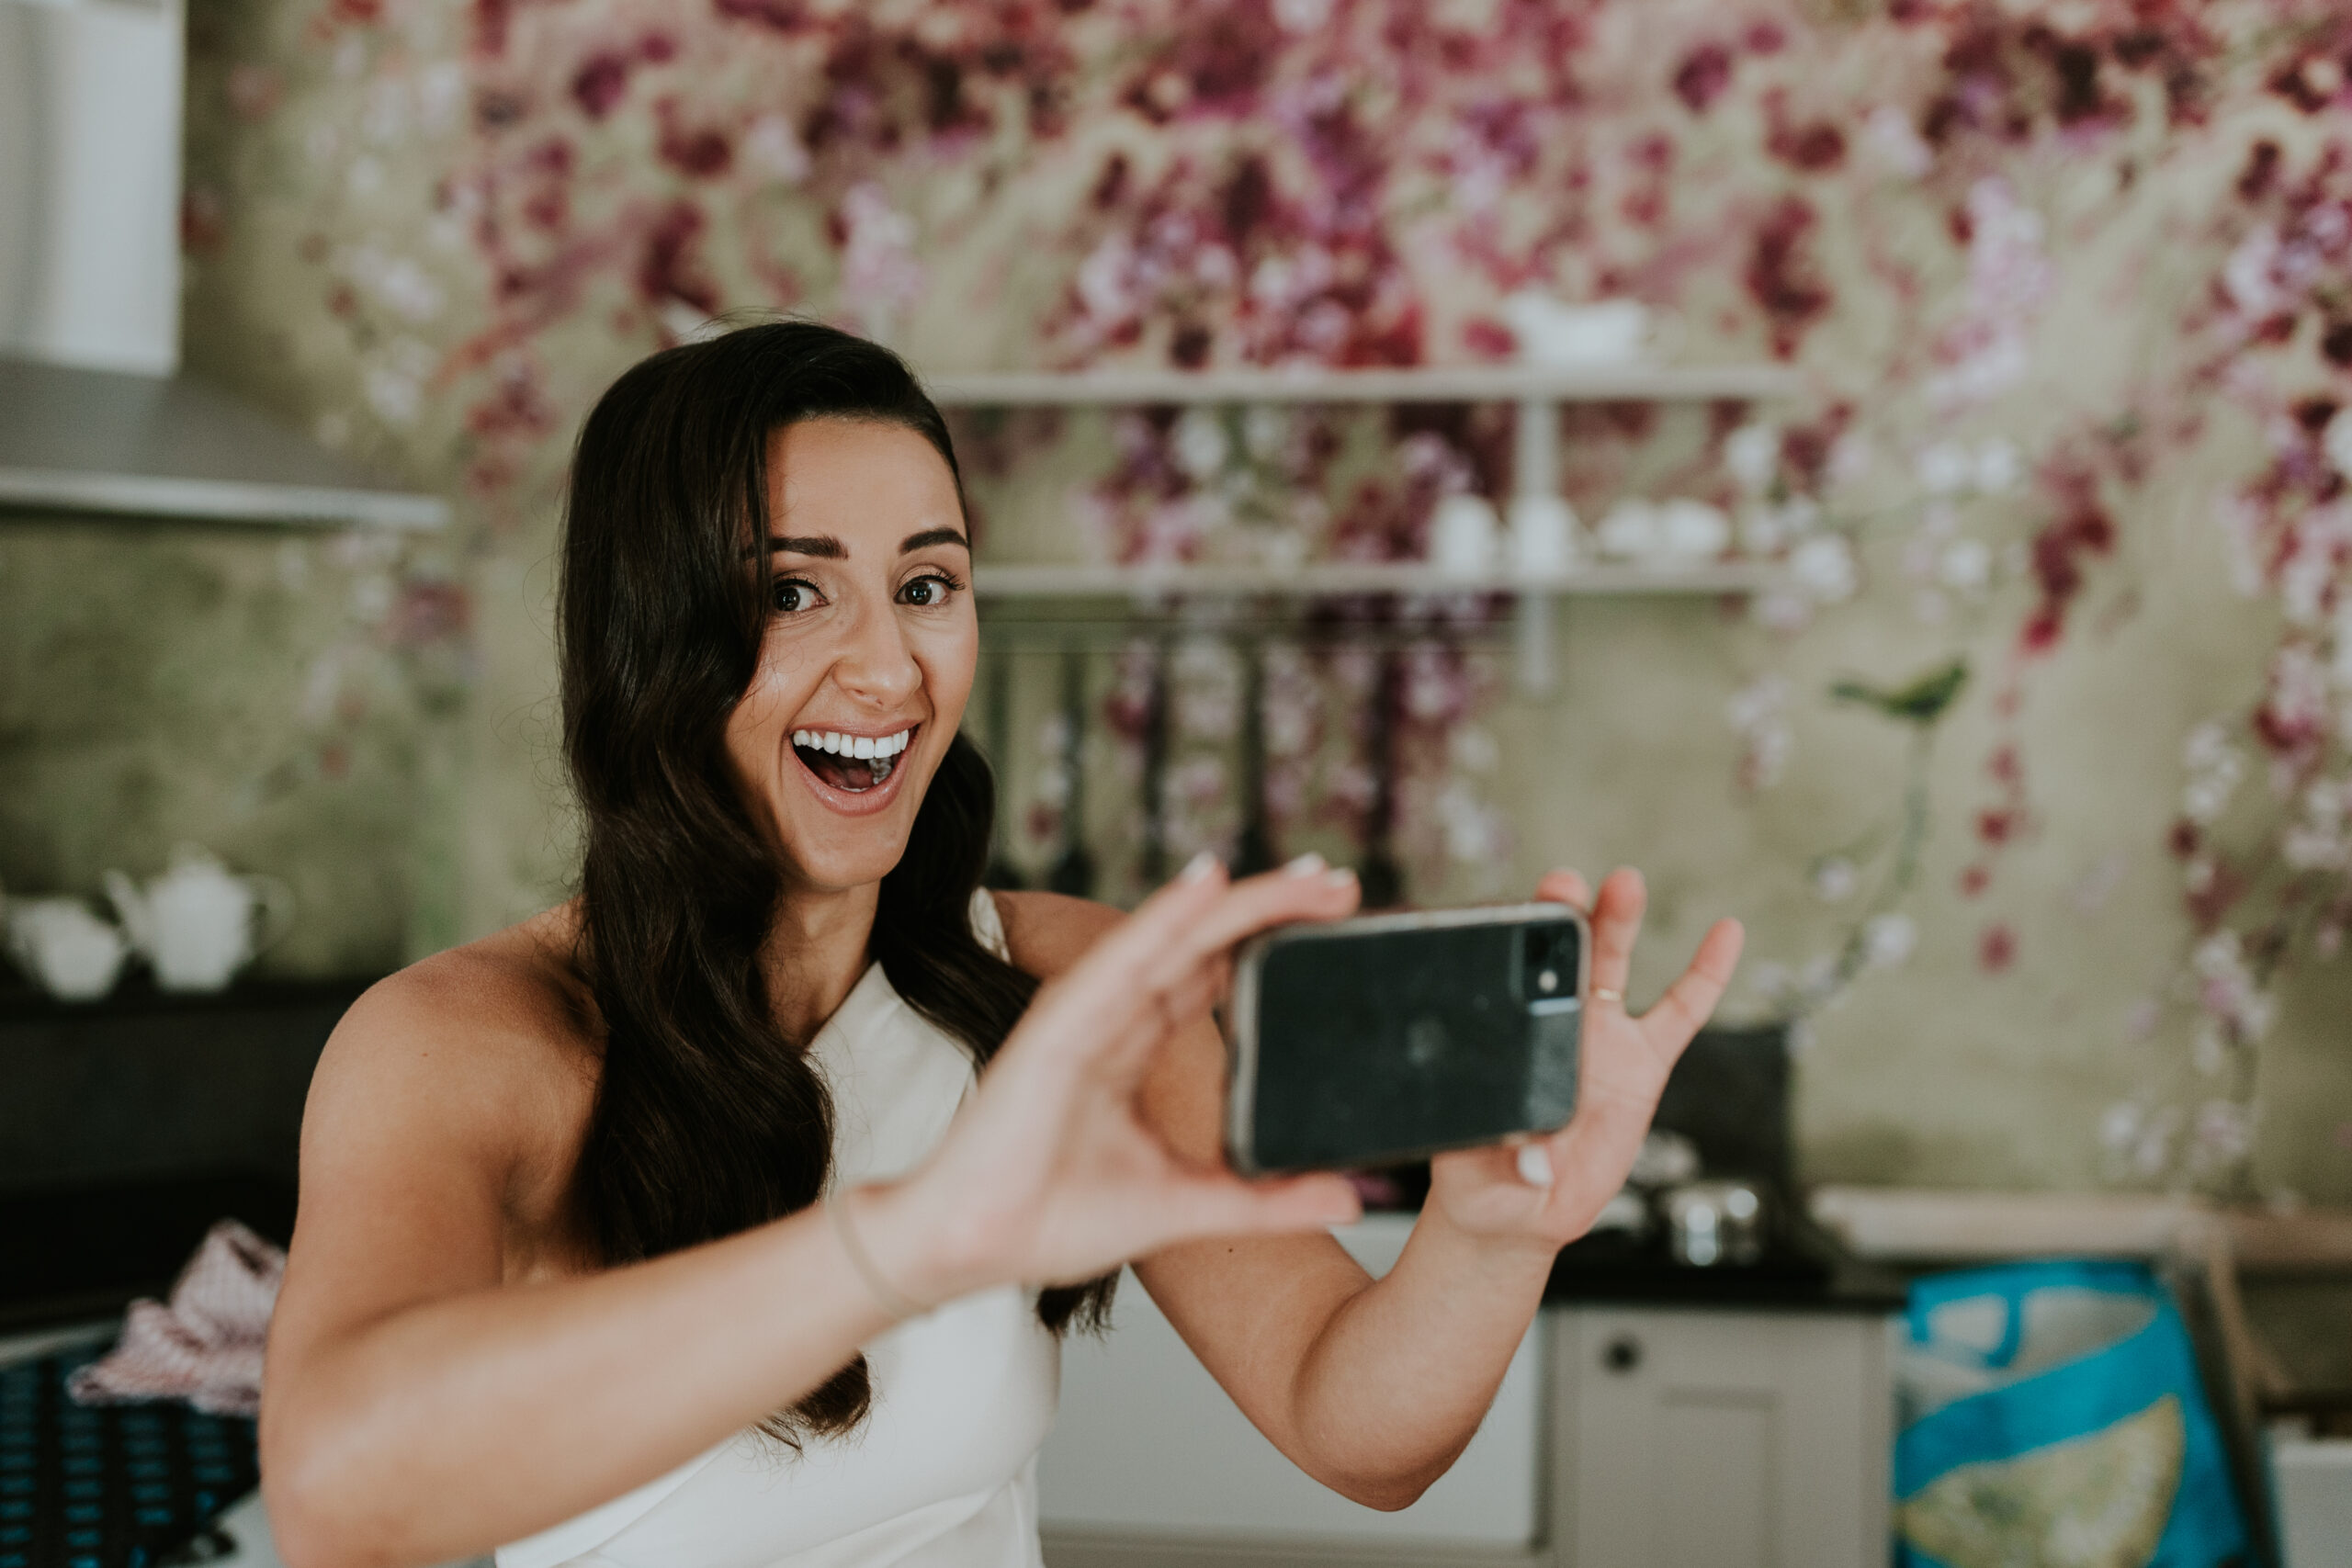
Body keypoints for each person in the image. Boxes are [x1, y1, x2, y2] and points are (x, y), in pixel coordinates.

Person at [257, 321, 1745, 1568]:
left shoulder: (1062, 990)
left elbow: (1355, 1432)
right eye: (792, 590)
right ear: (653, 638)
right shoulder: (467, 1046)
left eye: (927, 583)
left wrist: (1494, 1235)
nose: (890, 664)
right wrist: (917, 1237)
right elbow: (335, 1492)